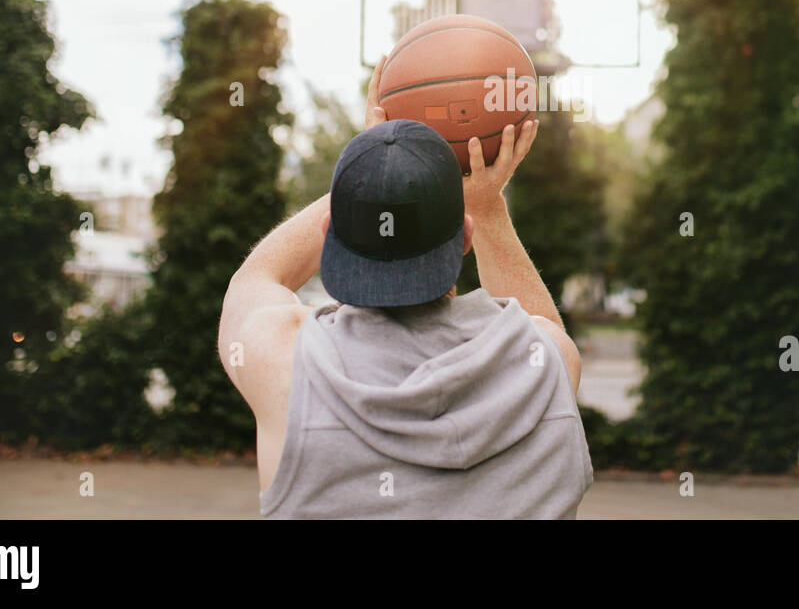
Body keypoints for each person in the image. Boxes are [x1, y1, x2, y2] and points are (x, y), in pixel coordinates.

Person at [217, 59, 593, 518]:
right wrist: (486, 204)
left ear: (330, 228)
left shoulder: (284, 356)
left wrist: (369, 165)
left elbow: (254, 279)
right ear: (466, 238)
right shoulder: (544, 362)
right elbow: (549, 334)